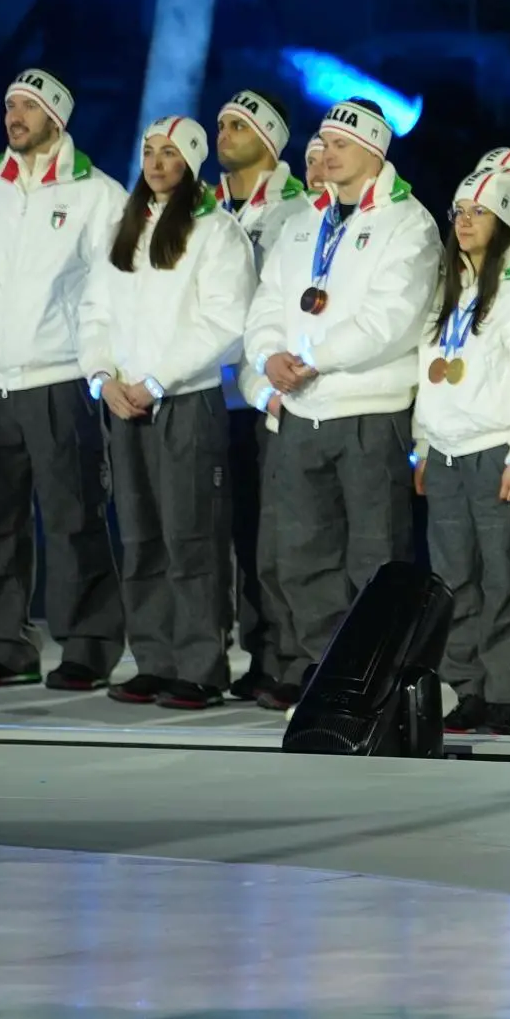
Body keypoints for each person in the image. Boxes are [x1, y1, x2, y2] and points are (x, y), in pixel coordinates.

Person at [240, 97, 444, 711]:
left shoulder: (410, 223)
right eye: (324, 142)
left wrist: (310, 357)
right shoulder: (304, 219)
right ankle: (317, 671)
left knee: (374, 558)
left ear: (374, 152)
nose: (324, 153)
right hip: (301, 409)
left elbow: (393, 319)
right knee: (304, 554)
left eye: (338, 145)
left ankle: (374, 677)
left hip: (369, 409)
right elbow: (268, 301)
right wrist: (268, 357)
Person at [0, 69, 127, 692]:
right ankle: (5, 644)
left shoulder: (97, 195)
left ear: (58, 117)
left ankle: (88, 644)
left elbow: (115, 286)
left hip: (58, 379)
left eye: (28, 106)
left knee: (74, 517)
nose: (14, 116)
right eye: (9, 106)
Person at [77, 114, 251, 708]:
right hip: (124, 403)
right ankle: (153, 658)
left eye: (169, 153)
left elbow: (226, 322)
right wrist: (103, 378)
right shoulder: (122, 228)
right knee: (142, 537)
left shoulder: (215, 231)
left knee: (191, 537)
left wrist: (155, 379)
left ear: (192, 162)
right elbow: (93, 313)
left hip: (183, 402)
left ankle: (201, 665)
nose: (155, 163)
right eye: (149, 151)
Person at [409, 152, 510, 735]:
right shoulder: (450, 286)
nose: (465, 222)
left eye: (478, 212)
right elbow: (431, 369)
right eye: (458, 211)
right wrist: (422, 445)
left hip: (498, 452)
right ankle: (468, 688)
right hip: (447, 454)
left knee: (505, 577)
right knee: (456, 580)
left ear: (504, 218)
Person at [209, 89, 308, 701]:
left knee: (278, 537)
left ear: (269, 139)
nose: (223, 132)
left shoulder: (298, 212)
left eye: (237, 124)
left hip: (271, 397)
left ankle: (286, 656)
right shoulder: (200, 207)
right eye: (219, 123)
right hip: (209, 393)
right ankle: (254, 655)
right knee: (232, 535)